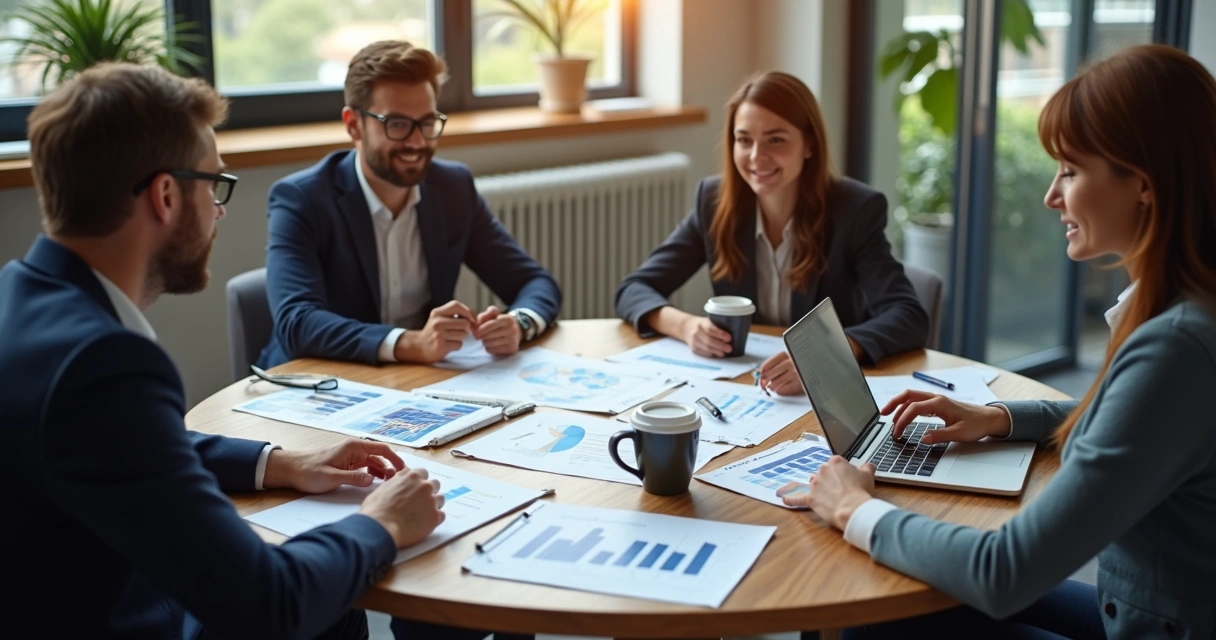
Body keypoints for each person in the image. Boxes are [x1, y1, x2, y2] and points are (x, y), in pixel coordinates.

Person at [0, 63, 448, 639]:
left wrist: (280, 463)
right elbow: (270, 604)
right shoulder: (103, 362)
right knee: (326, 601)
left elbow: (123, 444)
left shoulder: (20, 294)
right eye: (214, 185)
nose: (219, 210)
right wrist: (382, 524)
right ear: (165, 195)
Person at [785, 44, 1216, 639]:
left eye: (1070, 170)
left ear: (1142, 184)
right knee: (905, 589)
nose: (1052, 195)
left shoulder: (1176, 348)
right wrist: (996, 417)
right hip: (1146, 607)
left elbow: (1003, 572)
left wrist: (852, 507)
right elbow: (1132, 420)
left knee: (874, 618)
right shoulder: (1189, 307)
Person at [615, 71, 927, 394]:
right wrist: (686, 326)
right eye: (744, 140)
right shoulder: (714, 203)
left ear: (809, 144)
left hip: (828, 395)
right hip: (750, 388)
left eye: (775, 140)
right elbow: (634, 289)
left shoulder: (855, 211)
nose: (756, 157)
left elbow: (908, 316)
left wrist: (826, 356)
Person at [258, 40, 561, 370]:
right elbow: (297, 322)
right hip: (315, 381)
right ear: (354, 125)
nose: (417, 142)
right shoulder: (302, 199)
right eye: (397, 124)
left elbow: (535, 282)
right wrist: (410, 343)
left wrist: (519, 323)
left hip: (414, 381)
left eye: (427, 123)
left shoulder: (453, 188)